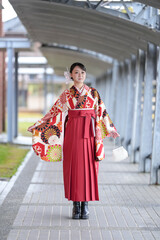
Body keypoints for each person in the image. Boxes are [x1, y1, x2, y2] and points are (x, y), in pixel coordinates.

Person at [28, 62, 120, 220]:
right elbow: (54, 112)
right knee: (74, 167)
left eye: (83, 73)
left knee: (89, 167)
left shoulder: (93, 93)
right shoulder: (66, 95)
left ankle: (85, 204)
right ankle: (75, 205)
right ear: (71, 75)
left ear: (85, 75)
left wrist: (110, 128)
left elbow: (102, 112)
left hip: (89, 132)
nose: (80, 75)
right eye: (76, 72)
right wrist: (39, 125)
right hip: (72, 132)